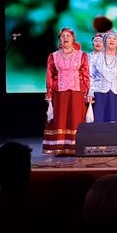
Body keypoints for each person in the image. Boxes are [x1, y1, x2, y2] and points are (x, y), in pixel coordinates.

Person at [43, 27, 90, 156]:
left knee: (75, 118)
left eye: (68, 36)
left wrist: (87, 92)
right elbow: (50, 75)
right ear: (60, 40)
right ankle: (59, 147)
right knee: (61, 118)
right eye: (63, 36)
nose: (65, 38)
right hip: (60, 91)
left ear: (73, 39)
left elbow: (85, 74)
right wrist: (49, 92)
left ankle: (76, 147)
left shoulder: (82, 55)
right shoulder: (54, 56)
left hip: (76, 92)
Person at [87, 31, 117, 122]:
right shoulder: (95, 59)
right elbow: (91, 76)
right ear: (104, 41)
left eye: (114, 39)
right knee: (100, 121)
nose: (111, 40)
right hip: (100, 93)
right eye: (109, 38)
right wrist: (90, 93)